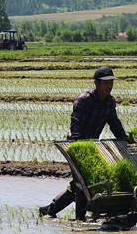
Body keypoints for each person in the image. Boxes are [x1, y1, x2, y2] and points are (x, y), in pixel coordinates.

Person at [39, 66, 128, 220]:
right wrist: (78, 145)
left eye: (111, 82)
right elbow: (76, 124)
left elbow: (114, 123)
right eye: (106, 83)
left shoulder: (109, 102)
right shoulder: (84, 100)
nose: (109, 86)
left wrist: (125, 139)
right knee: (82, 183)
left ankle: (49, 210)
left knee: (79, 183)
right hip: (76, 145)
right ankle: (80, 219)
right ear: (97, 83)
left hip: (92, 145)